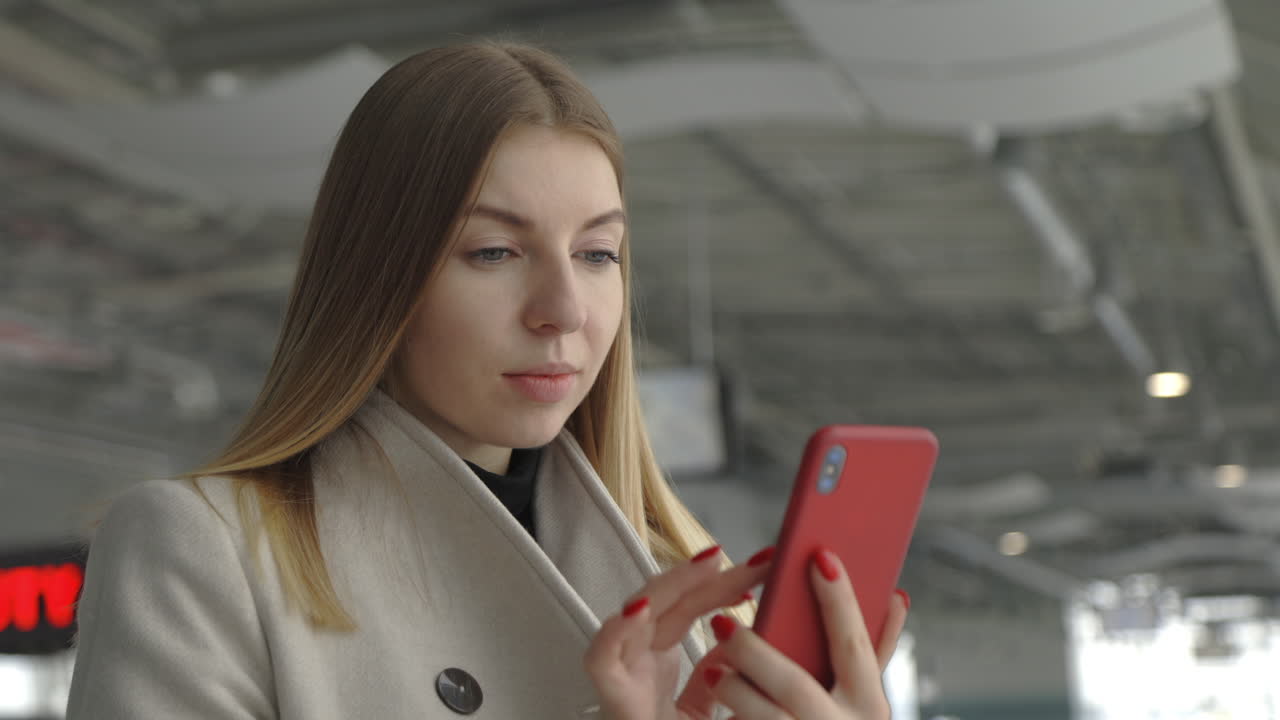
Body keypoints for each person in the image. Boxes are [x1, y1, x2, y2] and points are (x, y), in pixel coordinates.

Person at [65, 40, 909, 719]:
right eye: (495, 252)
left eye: (597, 254)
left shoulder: (679, 580)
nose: (564, 309)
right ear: (378, 275)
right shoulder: (203, 550)